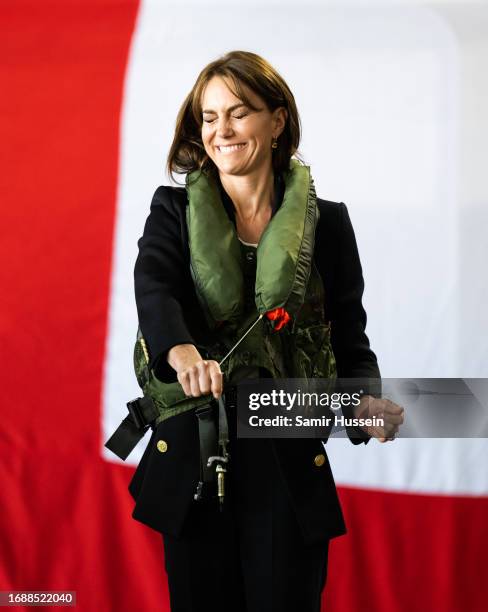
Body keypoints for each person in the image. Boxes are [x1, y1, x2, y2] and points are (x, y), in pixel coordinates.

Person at [128, 50, 404, 612]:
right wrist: (182, 354)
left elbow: (349, 334)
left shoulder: (330, 223)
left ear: (277, 122)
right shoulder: (171, 211)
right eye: (209, 117)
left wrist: (366, 403)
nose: (221, 130)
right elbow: (155, 287)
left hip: (287, 457)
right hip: (196, 460)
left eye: (239, 112)